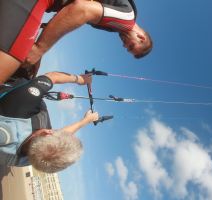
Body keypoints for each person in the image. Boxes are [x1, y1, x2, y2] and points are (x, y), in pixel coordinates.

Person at [0, 0, 153, 84]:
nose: (125, 45)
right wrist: (39, 49)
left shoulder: (115, 24)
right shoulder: (126, 19)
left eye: (127, 49)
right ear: (141, 37)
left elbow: (69, 13)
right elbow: (81, 9)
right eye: (131, 46)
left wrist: (40, 47)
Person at [0, 71, 99, 173]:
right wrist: (85, 121)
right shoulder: (36, 160)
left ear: (47, 133)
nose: (56, 130)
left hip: (12, 89)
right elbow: (56, 149)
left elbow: (52, 77)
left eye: (55, 131)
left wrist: (80, 79)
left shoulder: (16, 116)